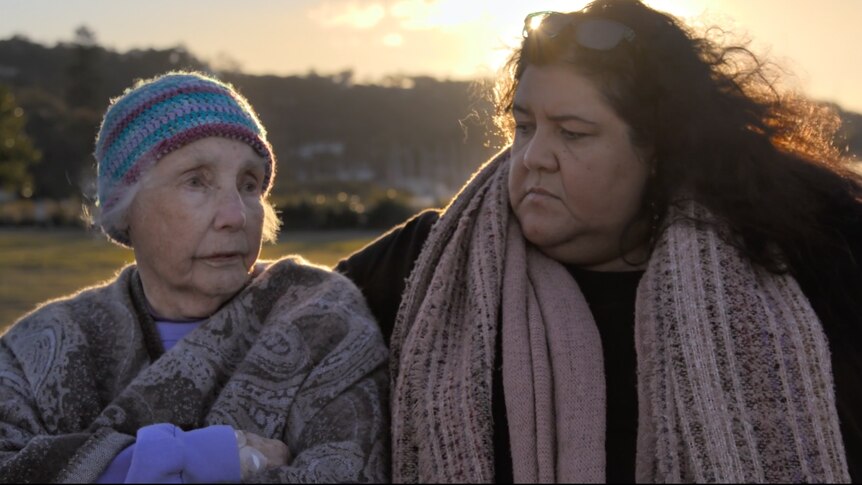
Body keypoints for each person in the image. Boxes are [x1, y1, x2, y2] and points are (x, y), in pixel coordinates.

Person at [336, 1, 862, 482]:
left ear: (659, 153)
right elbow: (281, 328)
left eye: (573, 133)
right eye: (524, 126)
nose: (535, 156)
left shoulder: (796, 270)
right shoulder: (432, 260)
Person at [0, 72, 388, 483]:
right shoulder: (38, 347)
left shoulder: (322, 321)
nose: (236, 216)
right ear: (125, 207)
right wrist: (192, 457)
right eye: (197, 181)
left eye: (250, 184)